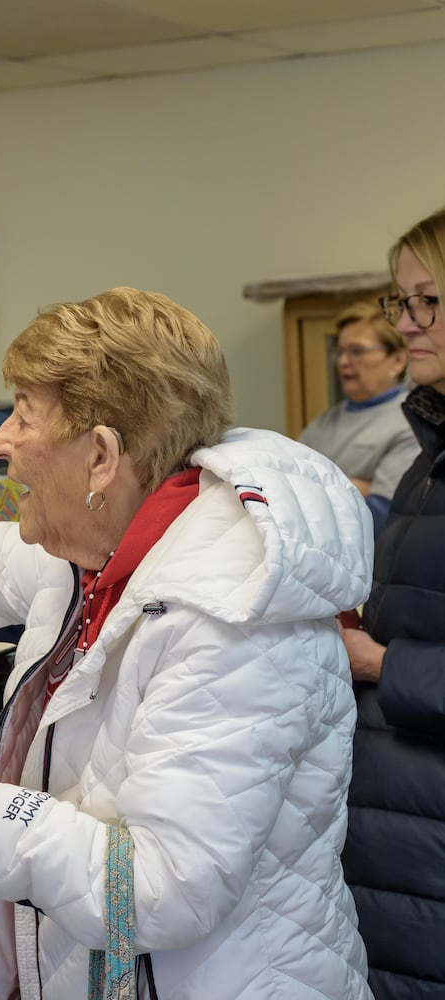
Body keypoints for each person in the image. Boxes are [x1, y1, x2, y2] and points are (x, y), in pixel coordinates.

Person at [0, 287, 372, 998]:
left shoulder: (232, 617)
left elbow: (160, 889)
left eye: (23, 415)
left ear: (101, 456)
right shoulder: (95, 556)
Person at [340, 206, 445, 999]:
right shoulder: (429, 461)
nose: (406, 324)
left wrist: (381, 663)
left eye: (429, 302)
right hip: (402, 840)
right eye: (400, 302)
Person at [299, 300, 416, 530]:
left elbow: (382, 517)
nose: (343, 362)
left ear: (398, 360)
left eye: (357, 351)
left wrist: (316, 490)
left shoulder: (410, 422)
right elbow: (285, 491)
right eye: (339, 351)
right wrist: (353, 488)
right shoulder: (323, 422)